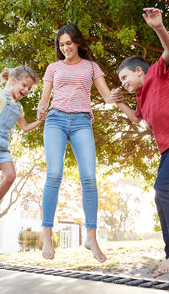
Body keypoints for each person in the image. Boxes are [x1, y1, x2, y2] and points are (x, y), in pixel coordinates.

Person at [112, 8, 169, 277]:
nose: (124, 83)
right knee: (159, 193)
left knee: (163, 187)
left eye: (125, 78)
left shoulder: (155, 73)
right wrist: (120, 104)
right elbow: (136, 120)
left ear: (139, 72)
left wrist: (158, 27)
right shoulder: (140, 98)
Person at [37, 24, 120, 263]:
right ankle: (47, 236)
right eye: (61, 45)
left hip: (83, 121)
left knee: (89, 178)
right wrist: (42, 110)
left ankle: (91, 237)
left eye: (68, 44)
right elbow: (45, 99)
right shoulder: (53, 68)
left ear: (78, 43)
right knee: (54, 174)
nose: (65, 48)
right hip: (56, 120)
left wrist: (115, 95)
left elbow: (106, 97)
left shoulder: (92, 67)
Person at [0, 40, 46, 238]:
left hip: (3, 145)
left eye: (29, 89)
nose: (26, 90)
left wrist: (40, 121)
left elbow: (24, 128)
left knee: (11, 176)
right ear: (13, 80)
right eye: (25, 85)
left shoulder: (19, 108)